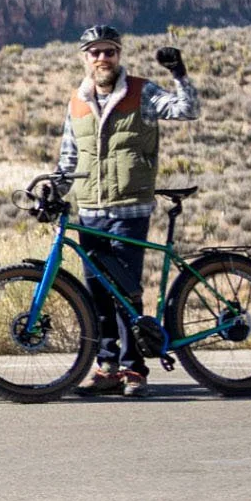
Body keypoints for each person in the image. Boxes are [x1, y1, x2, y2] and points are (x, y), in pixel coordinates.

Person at [53, 25, 200, 397]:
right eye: (95, 52)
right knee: (97, 294)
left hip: (130, 208)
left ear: (119, 55)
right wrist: (51, 190)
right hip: (90, 209)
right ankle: (107, 367)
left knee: (124, 292)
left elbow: (187, 109)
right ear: (85, 58)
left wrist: (179, 74)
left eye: (110, 51)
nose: (103, 58)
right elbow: (69, 159)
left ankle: (134, 369)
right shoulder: (77, 101)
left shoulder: (141, 91)